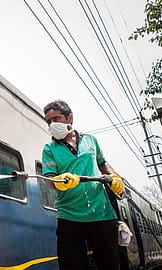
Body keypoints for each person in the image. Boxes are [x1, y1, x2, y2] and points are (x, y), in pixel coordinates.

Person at [41, 100, 125, 270]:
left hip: (102, 213)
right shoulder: (49, 148)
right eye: (48, 121)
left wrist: (115, 177)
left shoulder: (91, 141)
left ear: (69, 117)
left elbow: (103, 163)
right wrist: (60, 182)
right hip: (69, 217)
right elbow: (48, 180)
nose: (51, 125)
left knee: (110, 265)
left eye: (56, 119)